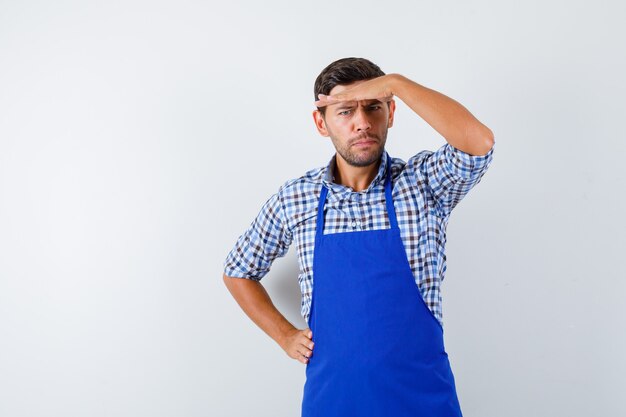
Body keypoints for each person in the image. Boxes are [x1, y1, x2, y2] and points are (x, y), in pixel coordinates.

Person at [222, 57, 495, 416]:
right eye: (345, 111)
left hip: (423, 402)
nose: (362, 123)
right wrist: (284, 335)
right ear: (321, 122)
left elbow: (478, 144)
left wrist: (394, 82)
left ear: (391, 113)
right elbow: (238, 270)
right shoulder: (296, 198)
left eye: (373, 107)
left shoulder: (423, 184)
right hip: (333, 402)